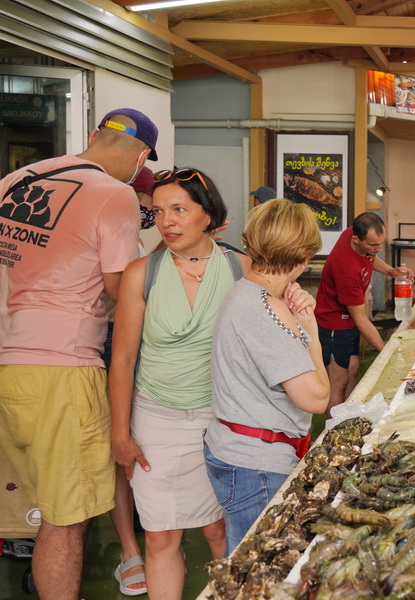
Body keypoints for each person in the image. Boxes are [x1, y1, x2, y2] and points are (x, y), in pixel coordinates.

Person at [0, 108, 156, 600]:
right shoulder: (117, 195)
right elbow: (117, 287)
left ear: (93, 135)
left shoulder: (13, 180)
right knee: (65, 520)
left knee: (30, 507)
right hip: (60, 367)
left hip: (8, 360)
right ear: (143, 157)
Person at [108, 167, 251, 599]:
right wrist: (121, 433)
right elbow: (123, 359)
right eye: (158, 212)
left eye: (179, 210)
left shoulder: (242, 269)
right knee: (160, 535)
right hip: (157, 421)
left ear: (207, 215)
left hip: (223, 418)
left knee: (220, 530)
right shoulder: (141, 273)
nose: (167, 221)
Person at [204, 199, 329, 553]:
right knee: (258, 572)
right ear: (303, 259)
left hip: (237, 451)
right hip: (256, 465)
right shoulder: (266, 308)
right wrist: (312, 333)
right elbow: (316, 398)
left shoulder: (247, 293)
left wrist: (299, 323)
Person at [314, 212, 412, 410]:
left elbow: (370, 257)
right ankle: (333, 430)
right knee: (338, 381)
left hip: (349, 318)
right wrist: (386, 351)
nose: (378, 249)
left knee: (353, 369)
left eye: (380, 243)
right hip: (334, 323)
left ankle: (351, 415)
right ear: (356, 239)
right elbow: (361, 319)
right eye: (373, 245)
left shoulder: (357, 235)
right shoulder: (347, 271)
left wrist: (391, 272)